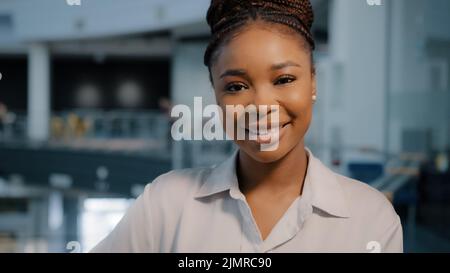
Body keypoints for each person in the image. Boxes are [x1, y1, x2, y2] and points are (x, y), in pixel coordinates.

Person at [91, 0, 402, 253]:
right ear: (215, 93)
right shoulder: (164, 205)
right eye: (236, 87)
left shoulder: (371, 219)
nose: (261, 106)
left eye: (284, 80)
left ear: (313, 82)